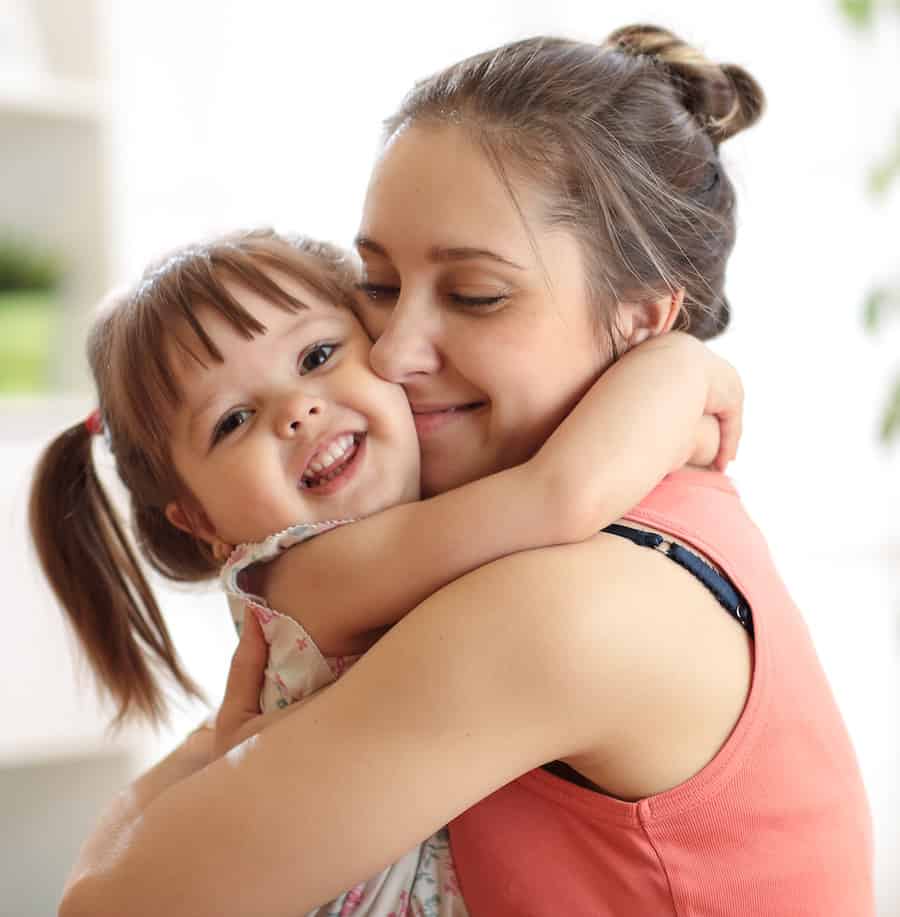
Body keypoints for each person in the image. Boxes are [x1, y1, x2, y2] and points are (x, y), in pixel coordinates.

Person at [54, 24, 874, 917]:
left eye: (475, 294)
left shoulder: (563, 605)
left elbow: (108, 903)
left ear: (643, 316)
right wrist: (678, 371)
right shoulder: (630, 514)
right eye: (376, 285)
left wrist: (679, 371)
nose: (396, 350)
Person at [33, 227, 737, 917]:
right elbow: (555, 495)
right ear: (201, 521)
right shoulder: (307, 570)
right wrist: (681, 372)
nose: (296, 411)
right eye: (234, 420)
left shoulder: (426, 529)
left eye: (316, 354)